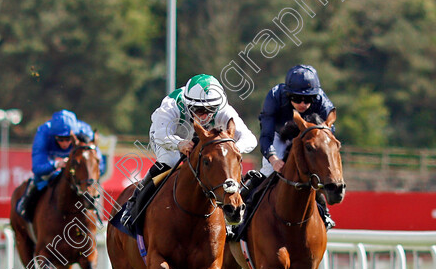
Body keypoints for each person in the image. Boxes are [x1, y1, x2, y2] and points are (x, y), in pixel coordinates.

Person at [120, 74, 257, 231]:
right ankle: (134, 205)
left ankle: (230, 216)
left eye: (209, 110)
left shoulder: (224, 109)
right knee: (170, 162)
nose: (204, 116)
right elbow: (160, 134)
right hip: (170, 138)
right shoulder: (172, 105)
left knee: (221, 166)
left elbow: (250, 139)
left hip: (206, 141)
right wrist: (179, 143)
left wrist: (232, 149)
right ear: (188, 105)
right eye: (198, 110)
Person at [247, 64, 336, 229]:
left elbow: (329, 135)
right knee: (269, 170)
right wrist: (273, 159)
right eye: (296, 98)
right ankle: (244, 212)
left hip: (308, 137)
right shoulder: (274, 97)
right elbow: (266, 135)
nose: (302, 104)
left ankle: (324, 212)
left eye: (308, 99)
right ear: (288, 95)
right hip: (279, 135)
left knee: (314, 171)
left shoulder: (322, 102)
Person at [16, 109, 105, 220]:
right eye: (60, 139)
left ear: (74, 135)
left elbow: (99, 165)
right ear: (53, 136)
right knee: (40, 179)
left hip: (77, 169)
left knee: (89, 181)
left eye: (68, 139)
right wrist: (57, 164)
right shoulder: (43, 133)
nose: (65, 143)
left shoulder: (85, 131)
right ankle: (26, 207)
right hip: (52, 168)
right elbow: (37, 168)